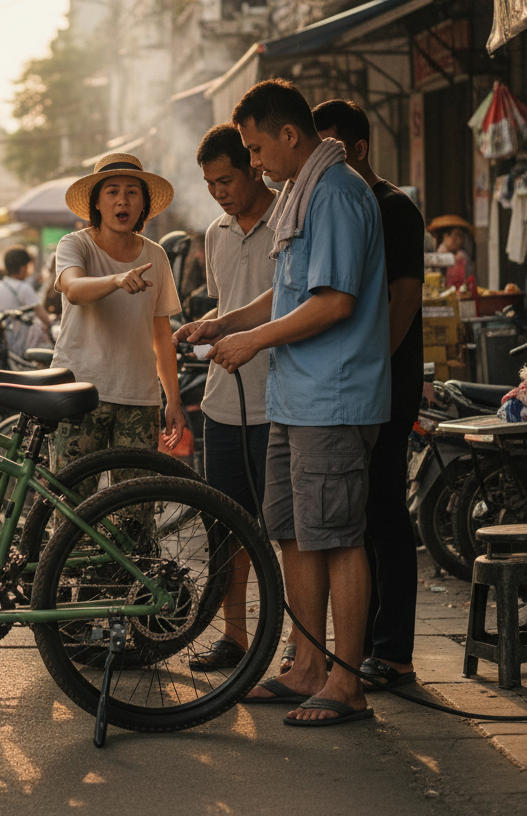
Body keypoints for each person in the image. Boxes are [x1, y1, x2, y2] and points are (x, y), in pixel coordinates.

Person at [188, 79, 389, 726]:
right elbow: (289, 292)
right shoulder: (301, 195)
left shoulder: (333, 193)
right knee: (292, 531)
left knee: (337, 536)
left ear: (289, 135)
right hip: (295, 395)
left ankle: (346, 680)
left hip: (334, 396)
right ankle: (306, 664)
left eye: (254, 148)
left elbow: (334, 303)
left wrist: (251, 342)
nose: (253, 163)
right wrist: (224, 324)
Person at [313, 99, 423, 693]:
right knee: (359, 515)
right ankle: (369, 646)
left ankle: (395, 652)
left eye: (329, 149)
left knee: (384, 511)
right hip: (354, 385)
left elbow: (402, 299)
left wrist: (371, 365)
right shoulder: (338, 203)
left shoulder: (392, 208)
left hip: (385, 383)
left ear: (357, 150)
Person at [172, 123, 277, 670]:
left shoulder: (290, 219)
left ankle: (296, 647)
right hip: (222, 403)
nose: (220, 192)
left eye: (227, 179)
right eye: (211, 183)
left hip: (277, 400)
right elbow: (230, 305)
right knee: (227, 527)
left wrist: (229, 326)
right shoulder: (214, 232)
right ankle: (235, 636)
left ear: (255, 165)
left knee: (286, 532)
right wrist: (201, 327)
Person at [50, 152, 185, 478]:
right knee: (71, 506)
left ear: (143, 204)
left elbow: (162, 335)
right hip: (77, 393)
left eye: (131, 192)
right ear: (97, 202)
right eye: (112, 191)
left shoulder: (156, 255)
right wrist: (116, 280)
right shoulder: (74, 245)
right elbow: (73, 289)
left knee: (135, 512)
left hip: (139, 399)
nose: (121, 200)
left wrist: (173, 401)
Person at [427, 215, 473, 289]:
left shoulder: (462, 255)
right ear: (446, 236)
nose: (460, 240)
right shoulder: (437, 257)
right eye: (457, 235)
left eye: (461, 236)